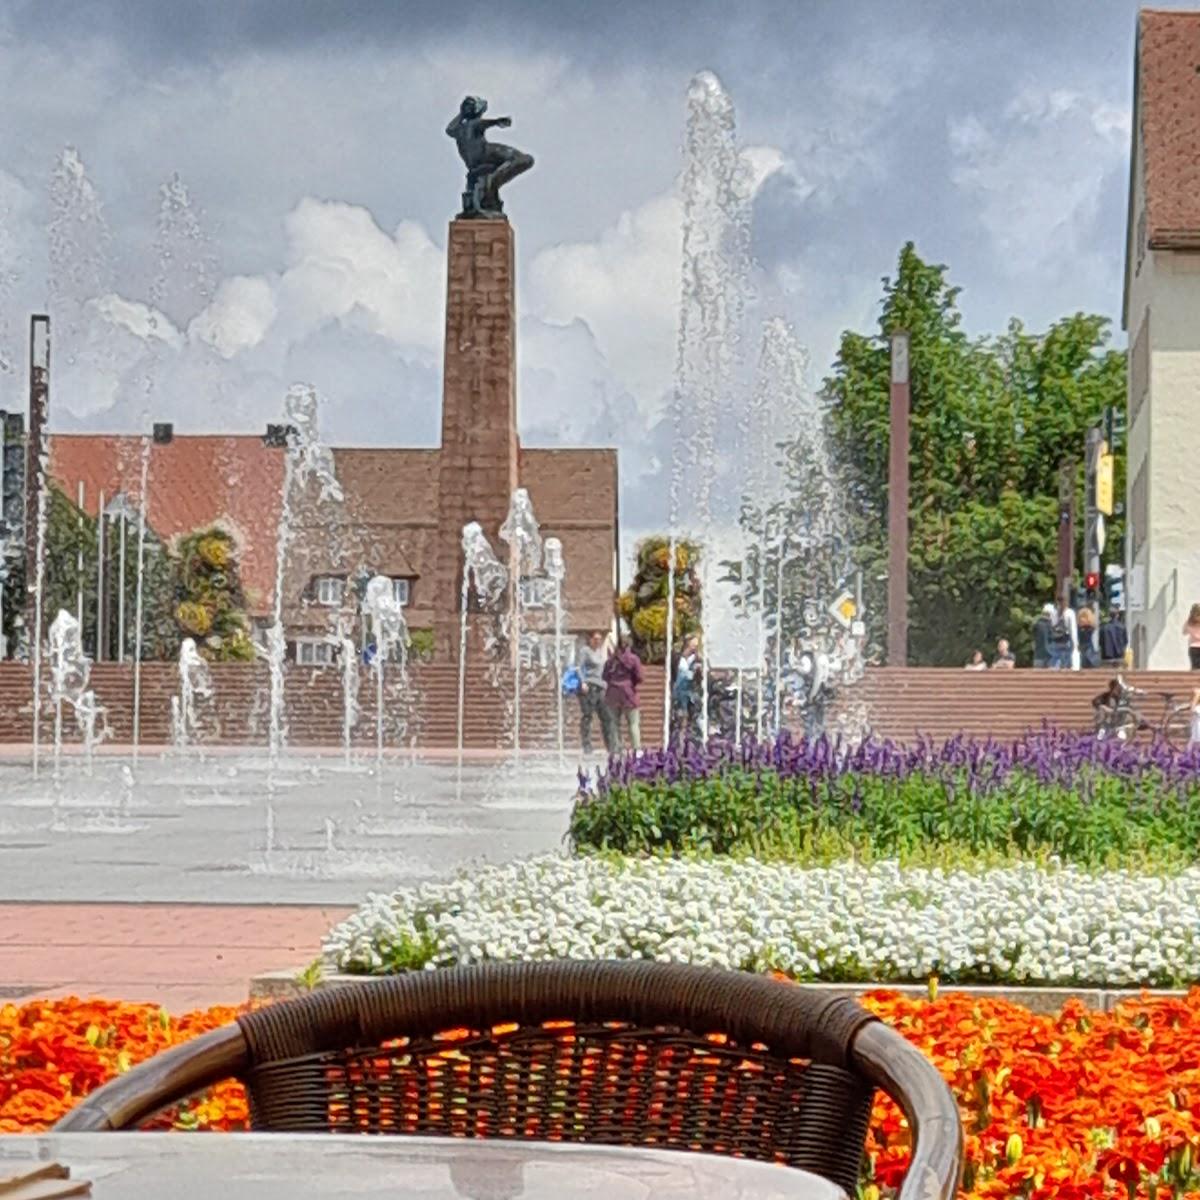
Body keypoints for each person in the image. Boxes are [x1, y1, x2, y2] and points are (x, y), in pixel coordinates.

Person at [603, 634, 644, 752]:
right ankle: (637, 749)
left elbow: (605, 676)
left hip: (612, 694)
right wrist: (632, 683)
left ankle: (617, 749)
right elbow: (640, 677)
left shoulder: (611, 660)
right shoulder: (633, 659)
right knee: (633, 723)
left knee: (614, 724)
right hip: (628, 693)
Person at [576, 630, 613, 755]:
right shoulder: (585, 651)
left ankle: (610, 745)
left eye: (600, 639)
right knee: (587, 717)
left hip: (601, 688)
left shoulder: (600, 652)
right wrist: (582, 682)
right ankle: (586, 745)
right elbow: (578, 667)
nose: (598, 641)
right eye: (595, 639)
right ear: (590, 639)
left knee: (606, 717)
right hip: (589, 687)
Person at [671, 635, 700, 744]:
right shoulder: (678, 658)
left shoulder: (697, 658)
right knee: (679, 717)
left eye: (696, 646)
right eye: (693, 644)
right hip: (679, 691)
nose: (694, 647)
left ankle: (685, 740)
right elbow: (674, 674)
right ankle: (678, 740)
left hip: (690, 692)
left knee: (688, 717)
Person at [1048, 598, 1077, 670]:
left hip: (1056, 639)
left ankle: (1054, 668)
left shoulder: (1054, 612)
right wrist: (1075, 642)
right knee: (1066, 658)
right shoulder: (1070, 612)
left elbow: (1052, 625)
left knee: (1055, 657)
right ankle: (1065, 669)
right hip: (1065, 639)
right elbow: (1072, 629)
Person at [1032, 604, 1054, 669]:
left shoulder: (1037, 625)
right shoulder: (1051, 625)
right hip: (1051, 656)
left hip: (1038, 656)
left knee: (1037, 677)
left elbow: (1034, 640)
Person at [1185, 603, 1200, 670]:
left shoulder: (1189, 622)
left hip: (1193, 647)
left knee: (1194, 668)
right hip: (1195, 647)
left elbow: (1184, 632)